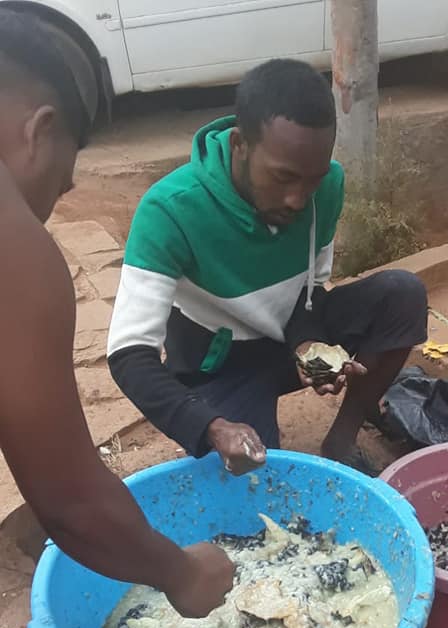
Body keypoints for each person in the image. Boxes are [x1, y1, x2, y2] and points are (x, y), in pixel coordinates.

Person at [0, 10, 234, 628]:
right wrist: (180, 572)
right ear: (39, 130)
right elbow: (72, 503)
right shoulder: (11, 246)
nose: (54, 202)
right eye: (63, 183)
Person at [106, 59, 428, 478]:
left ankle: (342, 440)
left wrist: (309, 346)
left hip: (284, 345)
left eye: (312, 180)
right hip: (220, 369)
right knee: (255, 481)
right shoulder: (169, 211)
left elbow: (311, 290)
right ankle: (232, 419)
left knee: (403, 295)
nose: (298, 199)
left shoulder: (327, 186)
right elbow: (129, 354)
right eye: (283, 178)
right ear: (239, 144)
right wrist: (211, 427)